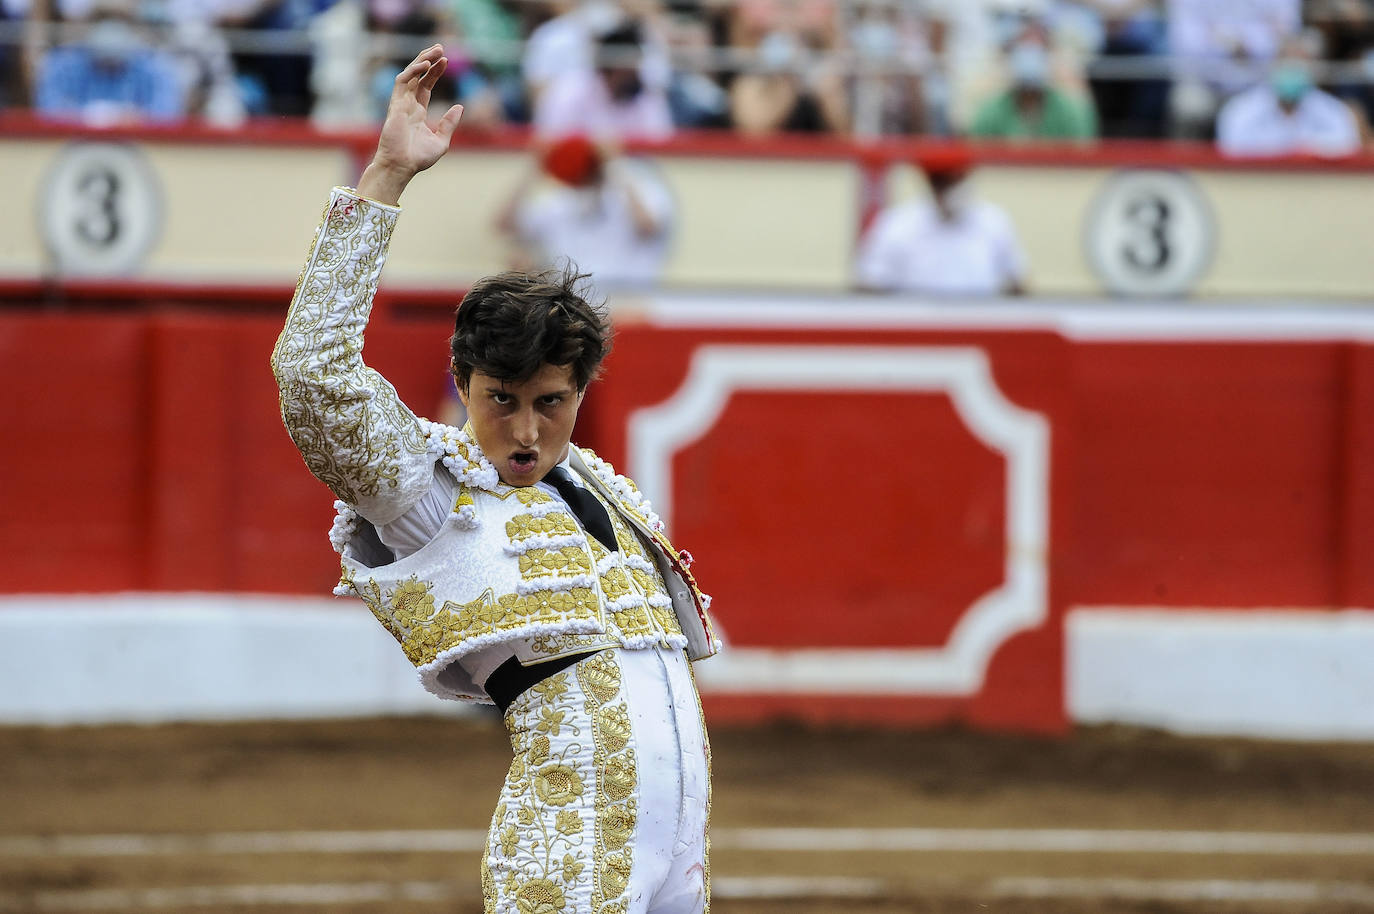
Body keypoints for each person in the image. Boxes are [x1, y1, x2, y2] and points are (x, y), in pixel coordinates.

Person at [270, 45, 718, 914]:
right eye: (498, 399)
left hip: (680, 848)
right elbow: (312, 376)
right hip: (564, 850)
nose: (522, 430)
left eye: (550, 402)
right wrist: (387, 178)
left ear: (581, 391)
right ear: (463, 383)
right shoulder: (434, 492)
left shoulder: (606, 490)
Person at [495, 134, 675, 289]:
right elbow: (504, 224)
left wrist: (615, 163)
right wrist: (535, 167)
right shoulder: (559, 202)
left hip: (629, 303)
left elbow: (648, 226)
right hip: (574, 309)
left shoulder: (638, 191)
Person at [854, 148, 1029, 296]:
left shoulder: (994, 221)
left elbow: (1017, 285)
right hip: (915, 327)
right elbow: (868, 286)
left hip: (982, 325)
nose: (949, 189)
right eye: (941, 182)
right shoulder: (897, 224)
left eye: (955, 180)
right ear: (929, 183)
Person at [1215, 34, 1362, 158]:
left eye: (1300, 63)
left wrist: (1307, 150)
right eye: (1287, 62)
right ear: (1274, 64)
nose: (1292, 69)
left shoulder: (1333, 110)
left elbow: (1347, 146)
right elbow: (1232, 150)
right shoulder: (1240, 110)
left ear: (1313, 69)